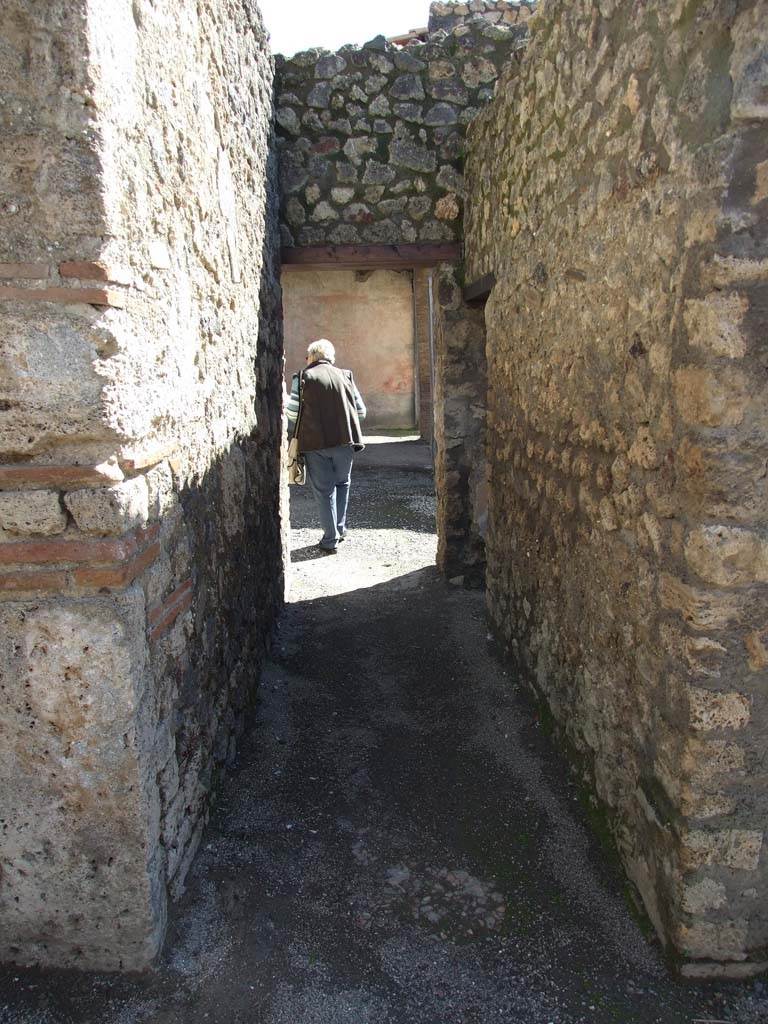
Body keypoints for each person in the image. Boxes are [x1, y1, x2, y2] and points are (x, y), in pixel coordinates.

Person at [286, 339, 367, 553]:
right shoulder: (346, 376)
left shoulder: (302, 378)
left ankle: (330, 539)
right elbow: (361, 412)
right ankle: (339, 529)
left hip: (315, 443)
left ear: (311, 357)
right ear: (331, 357)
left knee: (324, 491)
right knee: (342, 484)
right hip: (345, 441)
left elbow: (293, 414)